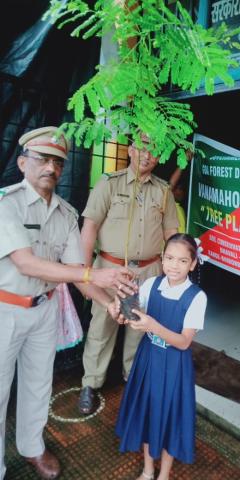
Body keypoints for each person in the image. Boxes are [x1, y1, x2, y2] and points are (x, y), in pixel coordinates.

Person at [0, 126, 136, 480]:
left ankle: (32, 447)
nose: (51, 168)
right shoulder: (6, 203)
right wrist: (95, 277)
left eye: (58, 162)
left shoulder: (65, 213)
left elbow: (78, 272)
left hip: (45, 309)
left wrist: (107, 302)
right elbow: (26, 263)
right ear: (22, 162)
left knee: (38, 383)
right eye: (43, 159)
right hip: (6, 309)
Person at [78, 133, 179, 415]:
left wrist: (175, 269)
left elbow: (171, 232)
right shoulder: (109, 184)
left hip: (148, 270)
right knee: (102, 326)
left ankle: (131, 378)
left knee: (140, 327)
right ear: (130, 150)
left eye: (154, 150)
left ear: (159, 157)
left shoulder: (163, 191)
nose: (147, 155)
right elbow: (90, 227)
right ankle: (91, 382)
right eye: (142, 148)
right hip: (110, 269)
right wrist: (84, 271)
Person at [115, 233, 207, 480]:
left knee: (169, 418)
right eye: (169, 258)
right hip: (148, 358)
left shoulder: (197, 297)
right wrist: (123, 309)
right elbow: (133, 311)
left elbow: (184, 341)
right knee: (148, 412)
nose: (174, 266)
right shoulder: (151, 284)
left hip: (175, 365)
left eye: (182, 261)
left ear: (193, 264)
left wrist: (152, 326)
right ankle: (147, 470)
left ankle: (163, 474)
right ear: (162, 259)